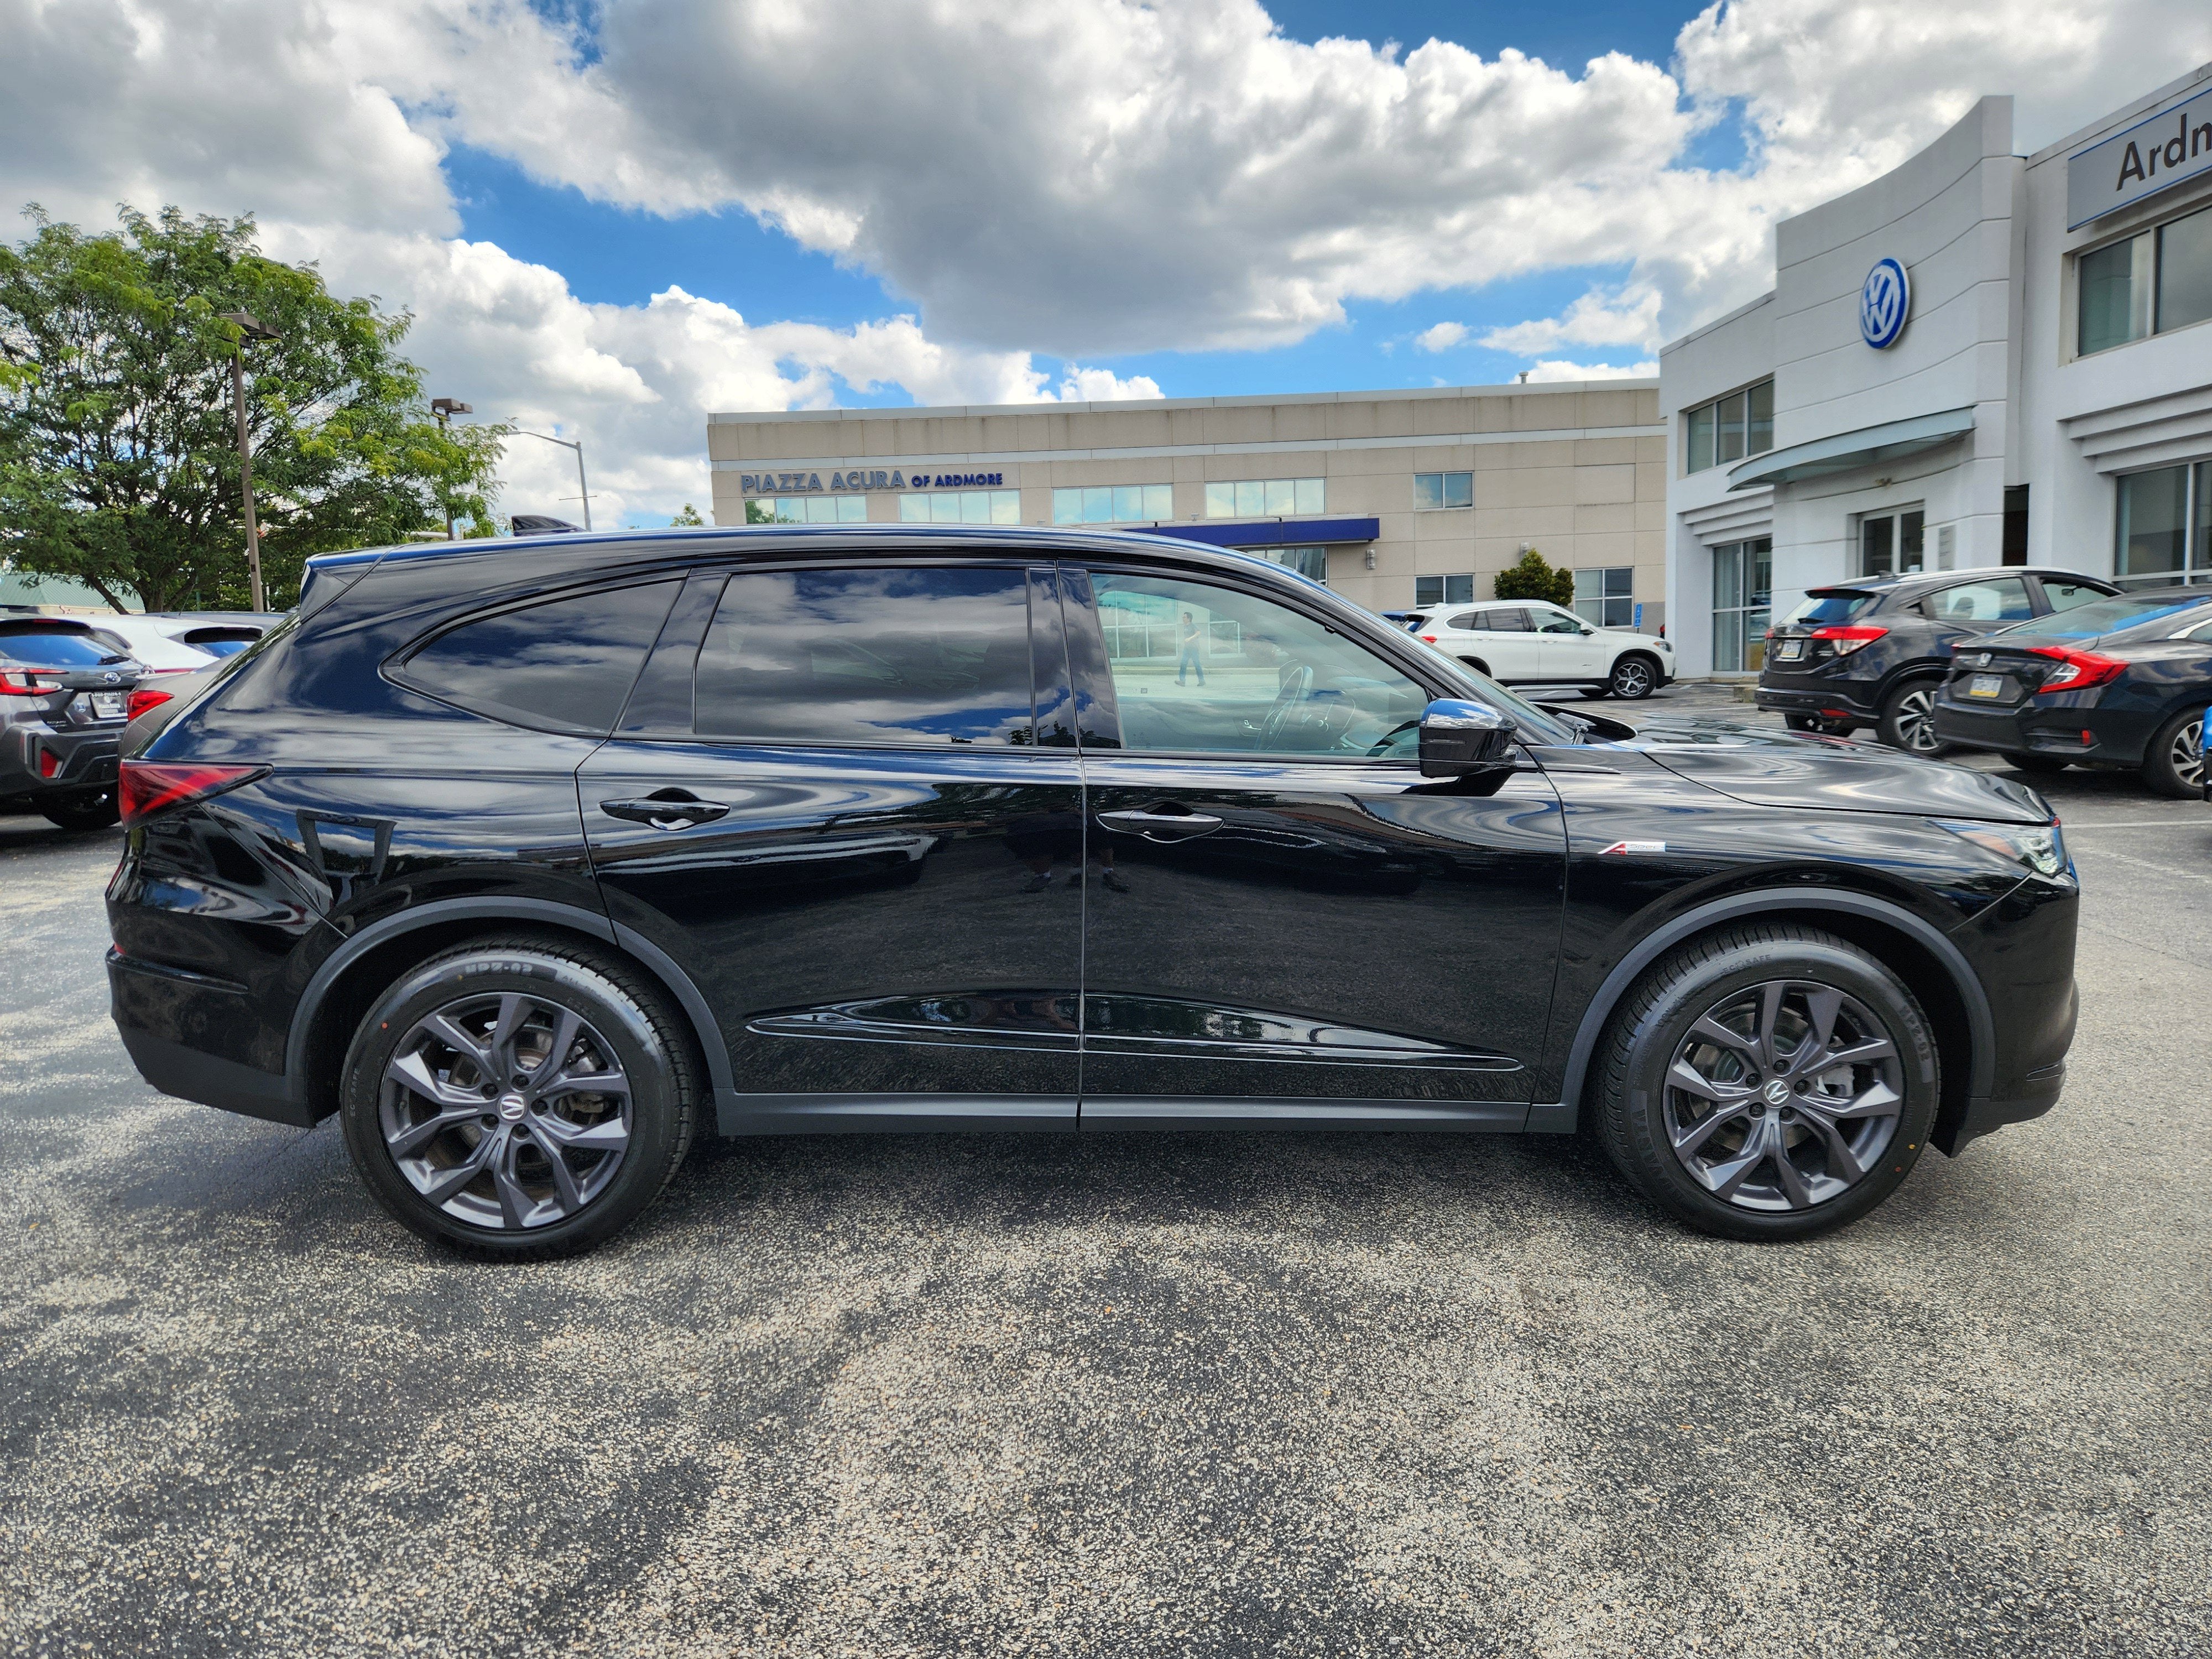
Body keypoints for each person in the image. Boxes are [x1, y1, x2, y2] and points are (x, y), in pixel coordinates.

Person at [1175, 609, 1206, 686]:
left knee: (1197, 665)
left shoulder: (1192, 625)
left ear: (1189, 619)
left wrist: (1190, 638)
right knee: (1183, 664)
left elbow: (1199, 632)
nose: (1183, 618)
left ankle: (1202, 681)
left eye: (1184, 617)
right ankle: (1182, 681)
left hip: (1194, 649)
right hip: (1187, 649)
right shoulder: (1185, 626)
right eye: (1183, 617)